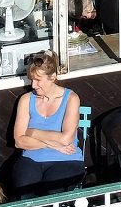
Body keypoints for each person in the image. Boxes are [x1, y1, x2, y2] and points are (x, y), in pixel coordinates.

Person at [7, 52, 85, 197]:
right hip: (32, 158)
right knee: (23, 192)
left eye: (38, 80)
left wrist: (32, 132)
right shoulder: (26, 100)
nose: (33, 85)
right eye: (31, 80)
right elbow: (19, 141)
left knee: (51, 193)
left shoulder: (70, 98)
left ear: (52, 77)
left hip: (66, 159)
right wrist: (52, 144)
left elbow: (66, 139)